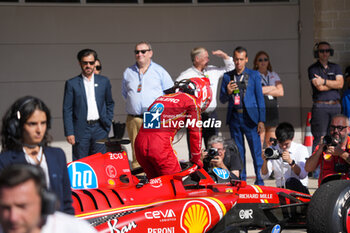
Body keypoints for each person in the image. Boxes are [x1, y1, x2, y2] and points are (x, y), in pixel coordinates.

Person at [0, 96, 74, 214]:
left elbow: (67, 203)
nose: (39, 130)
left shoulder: (58, 155)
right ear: (17, 126)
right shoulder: (5, 161)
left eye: (43, 123)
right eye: (32, 124)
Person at [135, 78, 212, 179]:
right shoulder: (192, 101)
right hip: (159, 148)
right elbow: (195, 133)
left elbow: (151, 129)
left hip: (139, 146)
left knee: (153, 187)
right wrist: (197, 159)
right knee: (175, 185)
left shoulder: (161, 98)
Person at [0, 164, 97, 233]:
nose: (13, 217)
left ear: (44, 204)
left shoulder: (76, 229)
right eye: (5, 208)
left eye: (22, 206)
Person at [122, 41, 174, 169]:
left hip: (153, 116)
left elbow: (171, 94)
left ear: (150, 53)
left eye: (143, 51)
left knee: (155, 149)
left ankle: (155, 178)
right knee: (137, 151)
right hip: (134, 117)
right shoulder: (128, 72)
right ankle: (139, 179)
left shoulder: (160, 71)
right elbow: (125, 94)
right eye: (137, 52)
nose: (140, 54)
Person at [219, 46, 265, 185]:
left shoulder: (254, 75)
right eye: (236, 59)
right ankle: (242, 179)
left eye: (241, 59)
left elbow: (260, 98)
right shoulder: (227, 76)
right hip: (234, 118)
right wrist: (227, 91)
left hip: (250, 118)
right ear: (233, 60)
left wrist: (261, 120)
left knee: (255, 150)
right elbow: (222, 99)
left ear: (246, 59)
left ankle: (259, 178)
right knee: (238, 151)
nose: (238, 62)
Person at [176, 48, 235, 150]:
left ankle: (211, 166)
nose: (208, 60)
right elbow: (176, 91)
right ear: (197, 59)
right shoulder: (186, 75)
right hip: (195, 116)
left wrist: (224, 56)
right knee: (195, 149)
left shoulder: (212, 71)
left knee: (213, 147)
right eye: (206, 57)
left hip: (211, 115)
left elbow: (231, 68)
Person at [63, 48, 114, 161]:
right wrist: (69, 132)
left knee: (100, 161)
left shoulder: (103, 81)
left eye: (91, 63)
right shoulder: (72, 83)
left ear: (95, 63)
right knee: (81, 162)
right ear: (80, 63)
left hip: (99, 128)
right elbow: (67, 109)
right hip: (81, 129)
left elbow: (110, 103)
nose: (88, 65)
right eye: (85, 63)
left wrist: (108, 121)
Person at [308, 41, 343, 153]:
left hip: (335, 106)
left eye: (327, 51)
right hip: (320, 106)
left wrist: (323, 81)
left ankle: (333, 166)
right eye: (321, 51)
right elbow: (319, 88)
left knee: (336, 137)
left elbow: (340, 84)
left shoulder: (335, 67)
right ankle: (316, 169)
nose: (324, 53)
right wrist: (333, 84)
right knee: (320, 138)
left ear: (330, 52)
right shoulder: (313, 68)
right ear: (317, 53)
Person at [260, 122, 310, 194]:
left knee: (291, 181)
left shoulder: (301, 149)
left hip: (298, 189)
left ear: (292, 138)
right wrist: (265, 161)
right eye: (280, 143)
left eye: (286, 144)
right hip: (280, 190)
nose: (283, 147)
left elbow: (303, 175)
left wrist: (291, 162)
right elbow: (264, 176)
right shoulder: (273, 149)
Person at [305, 114, 350, 187]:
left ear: (348, 129)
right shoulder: (325, 145)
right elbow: (308, 168)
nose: (335, 131)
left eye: (340, 128)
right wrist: (320, 149)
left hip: (346, 191)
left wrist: (341, 153)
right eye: (333, 127)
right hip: (326, 190)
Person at [253, 51, 284, 148]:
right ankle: (261, 163)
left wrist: (264, 90)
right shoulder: (254, 75)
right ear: (256, 62)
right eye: (260, 60)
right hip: (260, 111)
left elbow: (280, 92)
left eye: (265, 60)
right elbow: (256, 91)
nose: (263, 62)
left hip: (272, 111)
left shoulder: (273, 74)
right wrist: (272, 87)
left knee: (271, 141)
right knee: (260, 140)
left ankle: (271, 162)